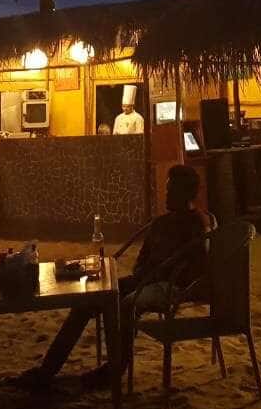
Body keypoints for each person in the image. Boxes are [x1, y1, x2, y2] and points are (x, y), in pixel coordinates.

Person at [29, 164, 211, 385]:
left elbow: (196, 268)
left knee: (125, 304)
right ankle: (48, 370)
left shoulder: (194, 225)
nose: (166, 194)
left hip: (171, 285)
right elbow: (142, 259)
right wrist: (143, 273)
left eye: (171, 190)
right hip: (145, 279)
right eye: (167, 189)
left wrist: (155, 274)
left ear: (185, 193)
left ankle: (116, 367)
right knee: (87, 302)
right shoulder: (161, 223)